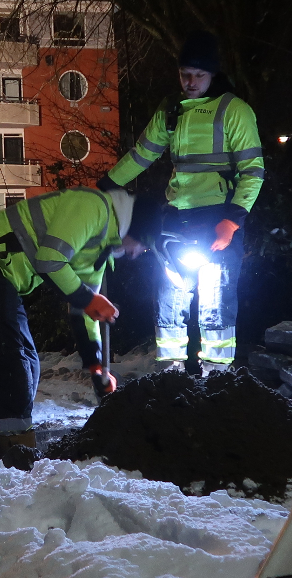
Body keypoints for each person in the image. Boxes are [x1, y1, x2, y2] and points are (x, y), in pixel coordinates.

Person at [0, 187, 157, 469]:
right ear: (135, 228)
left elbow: (83, 312)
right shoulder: (93, 208)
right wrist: (89, 299)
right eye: (143, 245)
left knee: (26, 365)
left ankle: (11, 447)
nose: (137, 254)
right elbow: (50, 260)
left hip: (2, 277)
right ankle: (16, 457)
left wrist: (96, 368)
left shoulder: (101, 249)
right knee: (14, 366)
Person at [100, 30, 265, 368]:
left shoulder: (235, 111)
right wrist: (105, 184)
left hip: (218, 220)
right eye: (184, 74)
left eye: (199, 75)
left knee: (216, 302)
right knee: (170, 300)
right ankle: (169, 375)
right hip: (176, 220)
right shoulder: (171, 111)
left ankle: (216, 379)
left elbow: (253, 171)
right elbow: (142, 155)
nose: (190, 82)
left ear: (213, 74)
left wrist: (232, 221)